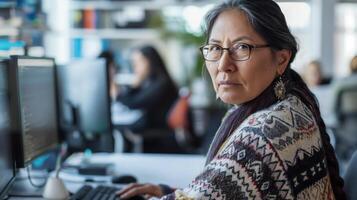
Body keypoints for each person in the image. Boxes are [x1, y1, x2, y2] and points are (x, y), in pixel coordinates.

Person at [116, 0, 346, 199]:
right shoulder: (289, 104)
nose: (224, 65)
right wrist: (170, 191)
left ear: (281, 59)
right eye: (215, 48)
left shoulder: (266, 131)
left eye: (241, 47)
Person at [113, 45, 178, 133]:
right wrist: (134, 86)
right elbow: (133, 101)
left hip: (157, 128)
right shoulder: (150, 81)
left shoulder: (161, 83)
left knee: (114, 127)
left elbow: (134, 103)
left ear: (150, 61)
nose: (135, 67)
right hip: (148, 122)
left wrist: (117, 95)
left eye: (138, 62)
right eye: (134, 63)